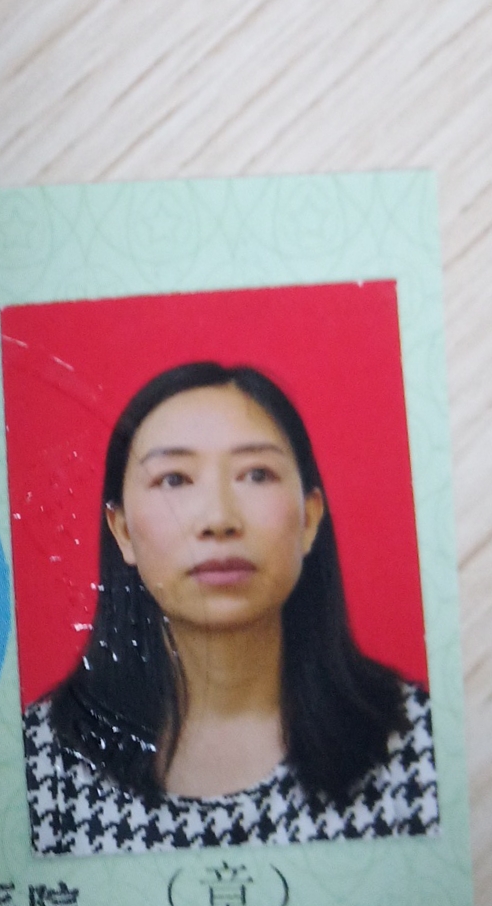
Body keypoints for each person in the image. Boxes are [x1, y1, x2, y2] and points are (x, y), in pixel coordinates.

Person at [23, 361, 439, 853]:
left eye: (256, 474)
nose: (219, 519)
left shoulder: (420, 744)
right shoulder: (38, 763)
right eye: (174, 479)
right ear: (123, 531)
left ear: (309, 518)